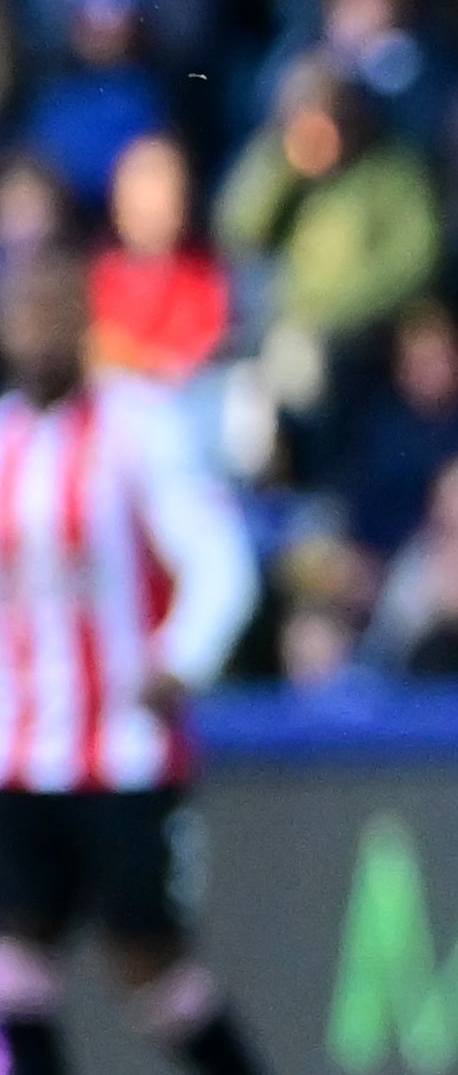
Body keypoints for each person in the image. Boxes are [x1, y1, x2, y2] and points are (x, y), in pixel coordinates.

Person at [0, 253, 266, 1075]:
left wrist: (182, 657)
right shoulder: (6, 439)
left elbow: (221, 559)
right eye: (24, 313)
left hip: (124, 748)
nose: (39, 330)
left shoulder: (139, 427)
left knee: (150, 967)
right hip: (21, 750)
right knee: (14, 971)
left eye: (55, 312)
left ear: (84, 324)